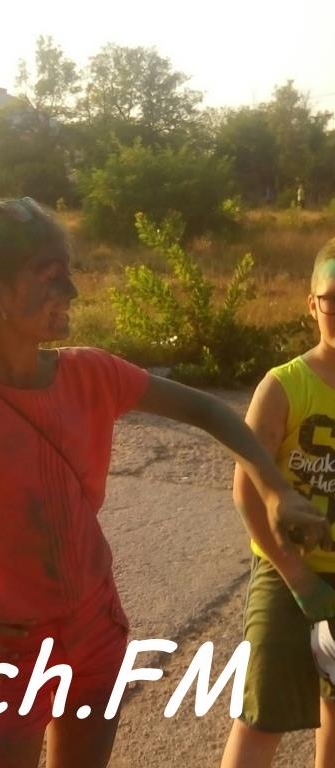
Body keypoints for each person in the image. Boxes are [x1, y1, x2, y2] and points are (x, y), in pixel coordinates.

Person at [0, 188, 329, 768]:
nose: (72, 291)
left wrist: (274, 490)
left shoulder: (91, 373)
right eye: (50, 277)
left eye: (69, 273)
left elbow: (208, 410)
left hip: (97, 636)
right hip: (10, 654)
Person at [221, 238, 335, 768]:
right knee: (261, 715)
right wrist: (298, 578)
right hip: (285, 571)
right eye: (331, 298)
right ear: (311, 303)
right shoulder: (283, 386)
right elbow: (246, 490)